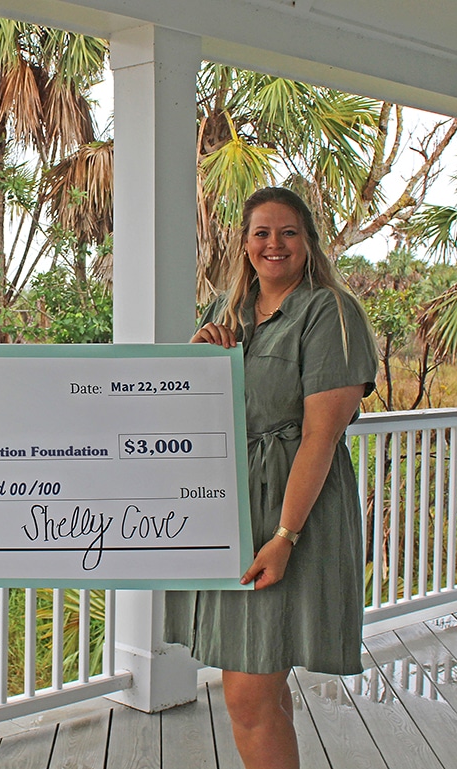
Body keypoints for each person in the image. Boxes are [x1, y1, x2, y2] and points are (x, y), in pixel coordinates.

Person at [165, 187, 377, 769]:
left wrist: (285, 537)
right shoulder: (225, 309)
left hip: (291, 513)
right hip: (233, 510)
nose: (274, 244)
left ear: (308, 241)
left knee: (248, 693)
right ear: (244, 243)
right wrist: (198, 359)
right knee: (263, 680)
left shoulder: (330, 312)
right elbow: (194, 413)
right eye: (261, 232)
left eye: (288, 232)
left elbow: (320, 437)